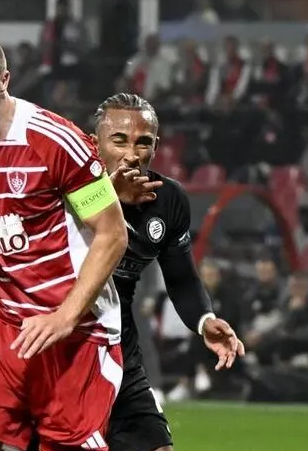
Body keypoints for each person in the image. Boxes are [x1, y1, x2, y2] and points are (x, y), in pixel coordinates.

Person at [0, 31, 133, 451]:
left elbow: (113, 233)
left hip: (76, 330)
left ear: (4, 81)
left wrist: (64, 317)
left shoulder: (55, 141)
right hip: (0, 322)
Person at [88, 92, 244, 451]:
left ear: (156, 147)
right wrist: (109, 197)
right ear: (95, 144)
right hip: (58, 344)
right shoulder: (69, 188)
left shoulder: (169, 200)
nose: (132, 154)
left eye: (143, 142)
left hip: (117, 342)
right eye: (119, 140)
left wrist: (204, 320)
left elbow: (181, 276)